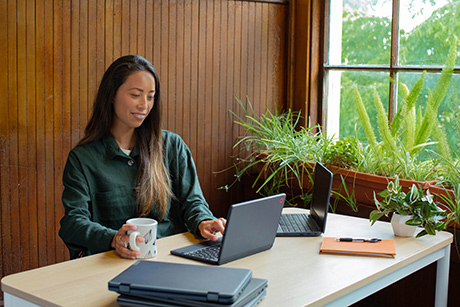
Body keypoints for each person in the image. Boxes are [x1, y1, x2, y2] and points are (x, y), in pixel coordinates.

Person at [59, 55, 226, 259]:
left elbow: (193, 202)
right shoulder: (83, 159)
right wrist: (113, 238)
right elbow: (73, 223)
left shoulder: (172, 146)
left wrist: (204, 222)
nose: (144, 105)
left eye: (150, 96)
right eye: (136, 95)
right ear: (111, 95)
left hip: (174, 258)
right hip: (116, 263)